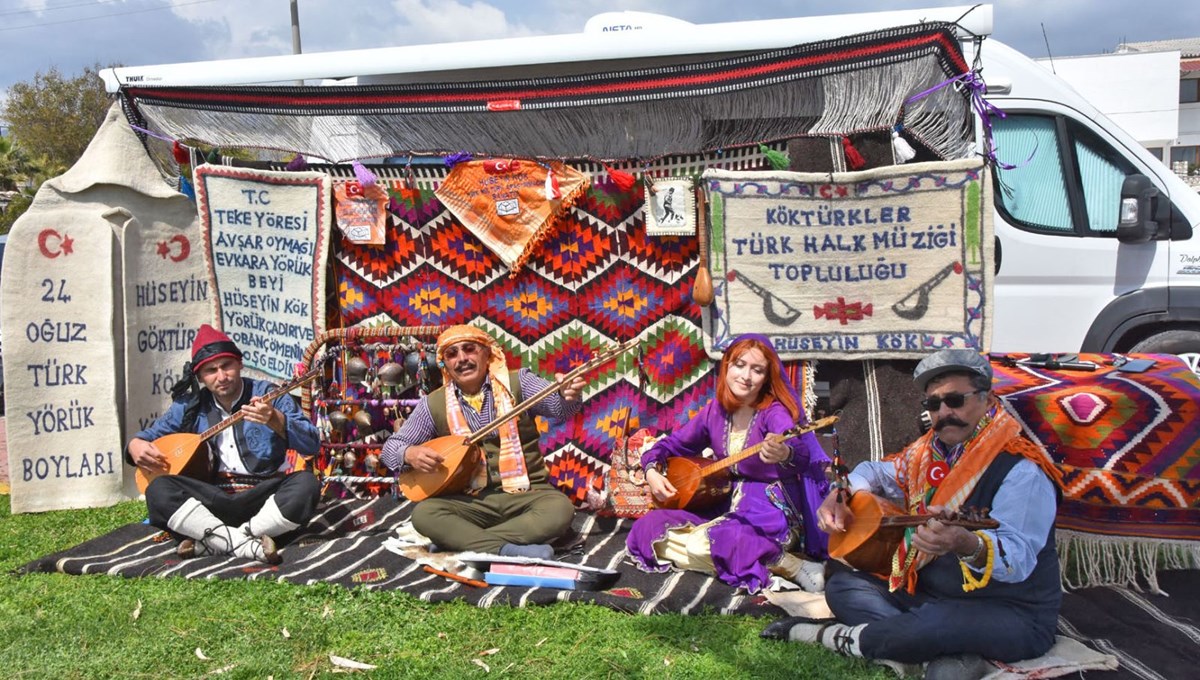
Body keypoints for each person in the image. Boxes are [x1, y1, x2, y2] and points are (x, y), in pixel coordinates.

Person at [762, 349, 1064, 679]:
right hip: (929, 596)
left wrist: (967, 544)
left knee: (940, 624)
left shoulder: (1021, 471)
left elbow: (1017, 559)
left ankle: (823, 635)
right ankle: (946, 649)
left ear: (988, 400)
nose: (944, 413)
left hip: (1008, 609)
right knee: (843, 586)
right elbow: (876, 472)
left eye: (955, 400)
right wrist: (842, 492)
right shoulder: (928, 454)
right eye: (933, 405)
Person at [626, 334, 831, 593]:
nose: (746, 376)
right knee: (648, 529)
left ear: (766, 377)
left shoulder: (773, 412)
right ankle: (753, 559)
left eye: (757, 370)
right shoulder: (716, 411)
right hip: (721, 500)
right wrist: (652, 470)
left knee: (706, 543)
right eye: (739, 365)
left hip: (768, 509)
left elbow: (799, 452)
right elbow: (671, 445)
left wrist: (784, 453)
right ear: (727, 366)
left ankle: (794, 567)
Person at [381, 324, 585, 560]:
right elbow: (391, 449)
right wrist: (409, 453)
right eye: (452, 354)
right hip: (470, 502)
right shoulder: (433, 404)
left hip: (527, 495)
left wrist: (567, 394)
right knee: (425, 514)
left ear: (487, 353)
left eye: (469, 349)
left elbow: (559, 408)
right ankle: (505, 550)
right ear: (444, 364)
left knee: (559, 510)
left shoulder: (519, 382)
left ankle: (459, 543)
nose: (462, 359)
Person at [127, 324, 321, 564]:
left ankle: (218, 541)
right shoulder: (189, 406)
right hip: (211, 501)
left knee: (307, 484)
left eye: (227, 365)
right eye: (211, 370)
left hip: (262, 499)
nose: (221, 376)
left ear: (239, 363)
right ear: (199, 377)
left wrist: (275, 420)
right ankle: (248, 543)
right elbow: (147, 437)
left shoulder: (270, 395)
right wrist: (135, 445)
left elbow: (312, 444)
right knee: (158, 490)